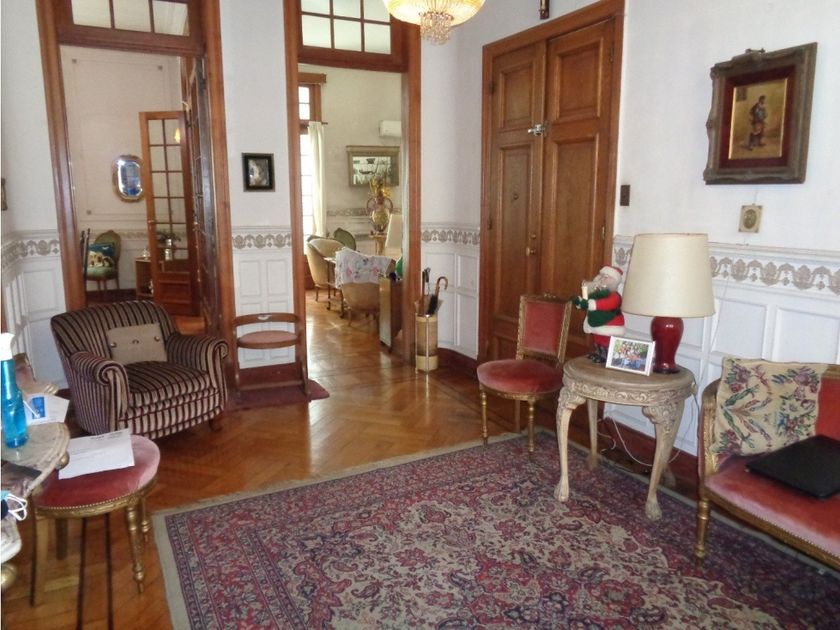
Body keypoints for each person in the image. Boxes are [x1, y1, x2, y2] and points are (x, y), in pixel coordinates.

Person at [572, 266, 626, 363]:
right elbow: (588, 301)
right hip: (597, 322)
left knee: (606, 340)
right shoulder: (597, 293)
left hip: (610, 323)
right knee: (597, 338)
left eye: (606, 277)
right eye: (602, 276)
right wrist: (581, 302)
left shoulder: (615, 296)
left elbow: (605, 304)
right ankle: (598, 352)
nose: (602, 279)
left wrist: (590, 304)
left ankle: (606, 355)